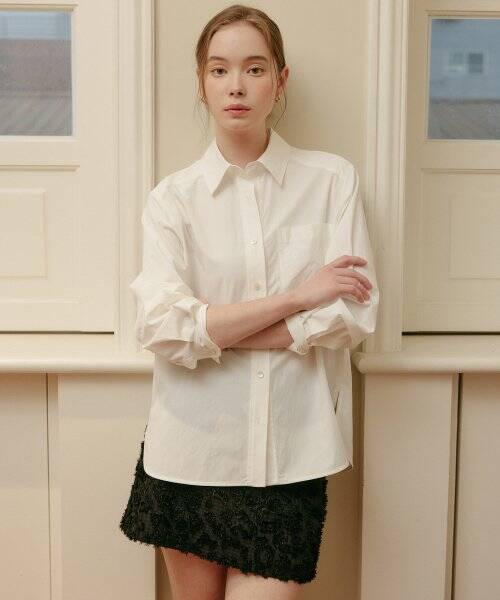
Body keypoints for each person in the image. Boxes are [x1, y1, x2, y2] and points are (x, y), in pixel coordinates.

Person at [119, 4, 379, 600]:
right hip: (189, 456)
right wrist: (299, 298)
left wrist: (217, 329)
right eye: (219, 70)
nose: (236, 85)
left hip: (289, 457)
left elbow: (354, 314)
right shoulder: (171, 200)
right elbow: (161, 326)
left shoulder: (332, 181)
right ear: (202, 83)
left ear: (279, 81)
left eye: (254, 68)